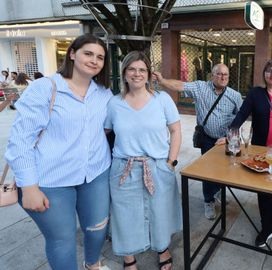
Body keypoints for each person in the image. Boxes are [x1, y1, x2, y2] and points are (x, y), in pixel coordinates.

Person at [5, 33, 112, 270]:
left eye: (100, 57)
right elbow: (20, 139)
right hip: (52, 180)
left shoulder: (103, 94)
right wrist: (29, 187)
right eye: (88, 53)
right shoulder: (45, 88)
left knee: (97, 229)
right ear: (72, 54)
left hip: (95, 174)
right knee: (62, 241)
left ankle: (93, 264)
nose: (94, 60)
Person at [106, 51, 181, 270]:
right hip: (123, 168)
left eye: (142, 69)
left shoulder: (162, 99)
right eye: (132, 69)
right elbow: (105, 134)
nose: (137, 74)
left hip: (157, 166)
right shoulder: (114, 103)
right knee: (124, 213)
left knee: (160, 211)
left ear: (149, 74)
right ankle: (129, 257)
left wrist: (171, 162)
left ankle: (162, 249)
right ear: (124, 73)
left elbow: (175, 131)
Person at [156, 63, 242, 220]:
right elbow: (180, 85)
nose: (223, 77)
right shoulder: (201, 88)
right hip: (208, 138)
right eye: (219, 74)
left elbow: (240, 117)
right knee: (208, 171)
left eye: (226, 75)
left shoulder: (235, 95)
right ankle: (208, 201)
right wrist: (162, 81)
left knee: (223, 170)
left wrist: (232, 137)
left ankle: (218, 192)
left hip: (226, 141)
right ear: (212, 75)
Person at [229, 58, 272, 247]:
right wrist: (231, 133)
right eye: (269, 71)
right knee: (263, 190)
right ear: (264, 74)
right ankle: (267, 226)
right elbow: (242, 114)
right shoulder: (255, 94)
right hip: (261, 149)